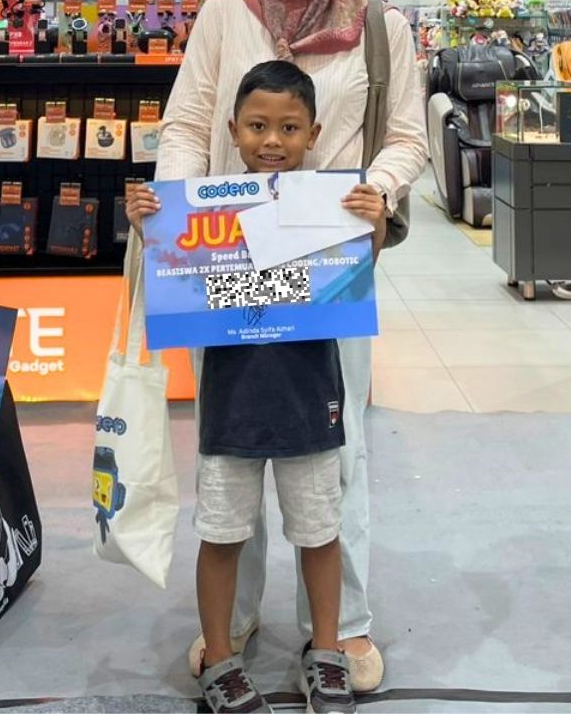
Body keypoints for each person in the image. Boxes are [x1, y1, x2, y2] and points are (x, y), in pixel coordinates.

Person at [129, 0, 428, 693]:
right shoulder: (226, 14)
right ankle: (237, 617)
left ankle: (345, 628)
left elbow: (406, 135)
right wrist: (175, 211)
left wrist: (382, 188)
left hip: (329, 261)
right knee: (233, 442)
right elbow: (190, 122)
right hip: (224, 260)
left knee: (338, 449)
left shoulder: (378, 25)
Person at [130, 60, 386, 714]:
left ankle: (326, 650)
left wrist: (373, 221)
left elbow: (361, 262)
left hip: (310, 401)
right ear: (233, 130)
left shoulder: (327, 206)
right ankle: (219, 654)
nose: (273, 139)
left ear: (315, 133)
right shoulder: (202, 207)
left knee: (320, 532)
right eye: (258, 125)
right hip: (230, 406)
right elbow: (176, 271)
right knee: (221, 535)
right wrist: (149, 224)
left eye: (289, 127)